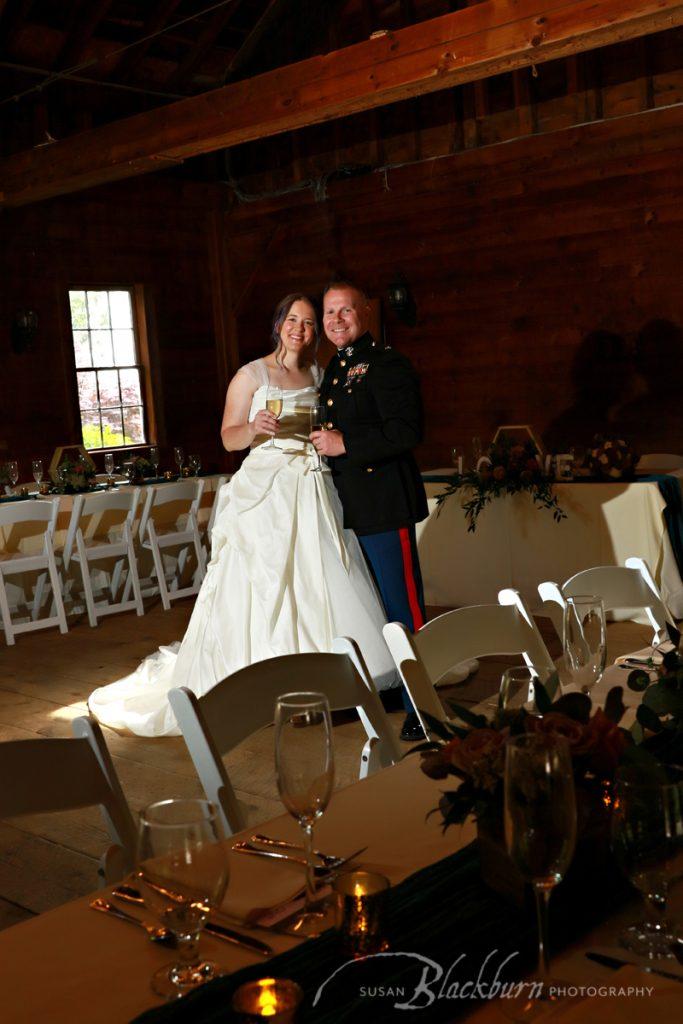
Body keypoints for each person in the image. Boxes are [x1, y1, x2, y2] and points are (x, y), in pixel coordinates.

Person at [88, 294, 397, 737]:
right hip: (266, 490)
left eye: (309, 323)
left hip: (311, 484)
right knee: (266, 581)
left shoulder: (317, 374)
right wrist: (253, 428)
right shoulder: (251, 375)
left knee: (320, 578)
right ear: (279, 324)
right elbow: (229, 438)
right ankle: (265, 682)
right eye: (293, 320)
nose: (301, 330)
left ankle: (322, 684)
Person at [310, 281, 429, 741]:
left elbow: (406, 431)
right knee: (376, 606)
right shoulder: (334, 371)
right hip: (348, 506)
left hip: (383, 504)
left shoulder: (387, 364)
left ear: (364, 312)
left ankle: (423, 700)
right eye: (328, 313)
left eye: (345, 310)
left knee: (403, 607)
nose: (336, 320)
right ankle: (398, 688)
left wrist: (346, 444)